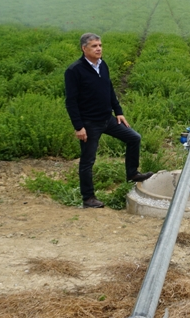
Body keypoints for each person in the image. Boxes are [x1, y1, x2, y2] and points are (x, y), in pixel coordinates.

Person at [64, 33, 153, 208]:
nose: (99, 49)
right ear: (84, 49)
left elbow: (109, 89)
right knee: (87, 161)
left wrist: (118, 111)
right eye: (94, 46)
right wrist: (79, 127)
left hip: (107, 119)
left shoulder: (102, 65)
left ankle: (132, 173)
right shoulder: (74, 70)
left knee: (134, 138)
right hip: (89, 124)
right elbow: (71, 101)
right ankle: (88, 198)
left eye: (100, 45)